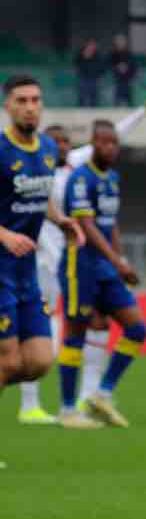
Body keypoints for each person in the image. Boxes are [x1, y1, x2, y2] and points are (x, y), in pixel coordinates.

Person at [17, 92, 146, 426]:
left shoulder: (83, 166)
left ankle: (93, 395)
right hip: (45, 263)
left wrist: (144, 110)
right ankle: (35, 405)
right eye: (55, 142)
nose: (61, 146)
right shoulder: (38, 171)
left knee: (106, 326)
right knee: (41, 333)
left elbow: (114, 134)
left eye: (65, 142)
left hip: (87, 261)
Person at [57, 119, 146, 429]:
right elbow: (86, 226)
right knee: (76, 333)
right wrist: (118, 263)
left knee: (137, 329)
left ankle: (102, 393)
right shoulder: (80, 178)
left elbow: (111, 224)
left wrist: (119, 259)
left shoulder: (112, 178)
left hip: (106, 267)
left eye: (114, 143)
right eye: (103, 142)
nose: (109, 148)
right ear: (93, 144)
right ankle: (68, 410)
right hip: (80, 265)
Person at [1, 76, 84, 429]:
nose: (30, 107)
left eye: (35, 100)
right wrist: (4, 234)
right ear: (8, 106)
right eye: (21, 100)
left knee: (38, 362)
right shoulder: (1, 150)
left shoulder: (48, 149)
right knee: (8, 361)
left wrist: (61, 220)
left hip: (26, 273)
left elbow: (41, 194)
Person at [110, 34, 138, 107]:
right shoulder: (112, 54)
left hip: (128, 81)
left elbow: (134, 67)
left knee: (130, 102)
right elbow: (109, 66)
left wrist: (126, 68)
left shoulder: (129, 54)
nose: (120, 43)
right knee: (116, 102)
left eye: (122, 41)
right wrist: (117, 68)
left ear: (125, 42)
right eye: (118, 41)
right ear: (115, 42)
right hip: (116, 81)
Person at [76, 40, 104, 107]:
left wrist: (98, 75)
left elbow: (101, 68)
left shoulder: (98, 56)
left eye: (93, 46)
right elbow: (77, 65)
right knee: (82, 95)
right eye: (90, 45)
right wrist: (84, 57)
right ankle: (81, 108)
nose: (91, 47)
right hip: (83, 78)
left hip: (94, 79)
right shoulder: (80, 55)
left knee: (94, 97)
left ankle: (94, 108)